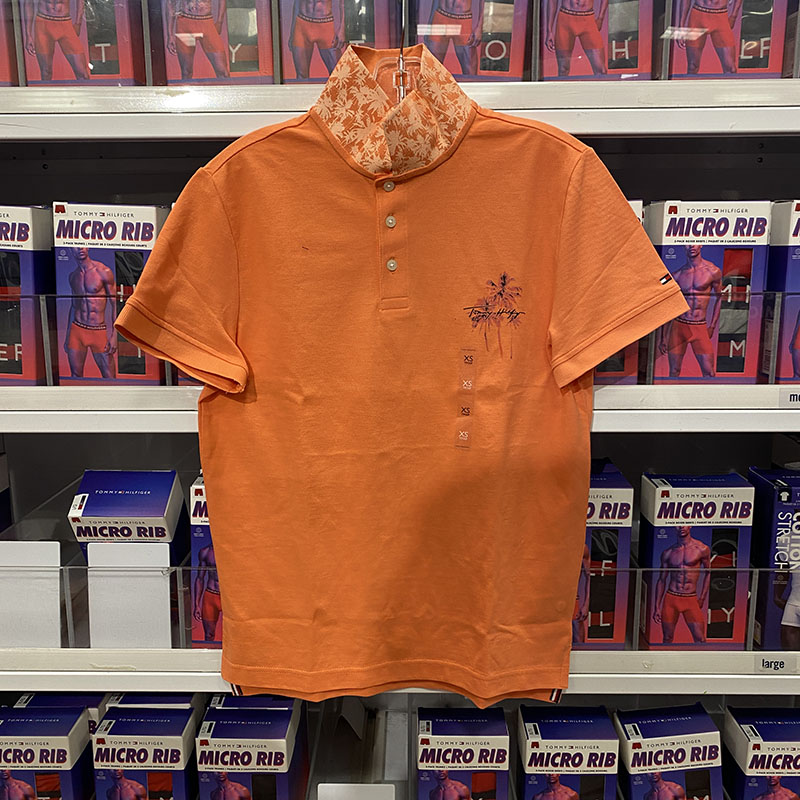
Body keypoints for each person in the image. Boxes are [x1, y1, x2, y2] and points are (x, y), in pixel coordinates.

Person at [658, 245, 721, 378]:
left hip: (699, 326)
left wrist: (712, 326)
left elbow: (720, 298)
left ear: (701, 245)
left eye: (695, 242)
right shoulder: (677, 275)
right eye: (688, 242)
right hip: (679, 327)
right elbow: (670, 305)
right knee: (674, 371)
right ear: (683, 246)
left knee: (709, 372)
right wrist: (664, 336)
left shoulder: (713, 271)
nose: (692, 245)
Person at [65, 247, 117, 379]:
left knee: (110, 378)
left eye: (83, 244)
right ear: (70, 250)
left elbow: (115, 304)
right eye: (76, 245)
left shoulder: (103, 271)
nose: (80, 248)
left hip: (98, 330)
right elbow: (74, 306)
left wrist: (115, 335)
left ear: (88, 247)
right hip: (77, 330)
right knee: (76, 377)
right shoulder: (73, 276)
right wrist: (67, 335)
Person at [654, 526, 710, 643]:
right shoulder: (668, 552)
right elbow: (662, 580)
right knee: (667, 638)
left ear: (690, 525)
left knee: (700, 639)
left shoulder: (702, 549)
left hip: (690, 598)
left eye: (684, 524)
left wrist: (702, 597)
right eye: (678, 524)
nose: (681, 527)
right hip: (671, 598)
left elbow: (708, 573)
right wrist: (657, 607)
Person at [23, 0, 90, 81]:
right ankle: (47, 89)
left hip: (65, 23)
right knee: (46, 72)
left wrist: (78, 23)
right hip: (43, 24)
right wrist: (28, 35)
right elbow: (28, 3)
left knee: (83, 74)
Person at [167, 0, 229, 79]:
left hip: (206, 23)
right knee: (186, 72)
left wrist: (220, 21)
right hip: (185, 23)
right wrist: (170, 35)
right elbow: (171, 4)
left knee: (223, 72)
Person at [676, 0, 742, 74]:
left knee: (730, 69)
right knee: (692, 66)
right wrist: (681, 27)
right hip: (698, 16)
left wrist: (733, 16)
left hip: (720, 17)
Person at [545, 0, 607, 76]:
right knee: (563, 69)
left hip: (588, 19)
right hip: (565, 19)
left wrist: (601, 18)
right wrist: (549, 31)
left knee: (601, 70)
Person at [425, 0, 484, 75]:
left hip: (463, 19)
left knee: (470, 73)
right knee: (432, 69)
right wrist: (430, 23)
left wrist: (480, 27)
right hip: (441, 15)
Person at [289, 0, 345, 79]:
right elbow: (297, 2)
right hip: (302, 24)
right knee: (301, 75)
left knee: (338, 74)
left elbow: (343, 3)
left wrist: (342, 30)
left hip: (325, 25)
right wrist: (292, 31)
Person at [194, 542, 222, 641]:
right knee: (209, 635)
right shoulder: (205, 552)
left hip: (229, 597)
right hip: (211, 595)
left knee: (235, 633)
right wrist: (197, 604)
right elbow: (199, 579)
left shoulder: (234, 551)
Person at [573, 543, 591, 643]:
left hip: (573, 601)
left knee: (578, 640)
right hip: (555, 601)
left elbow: (589, 576)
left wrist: (586, 604)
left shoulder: (581, 547)